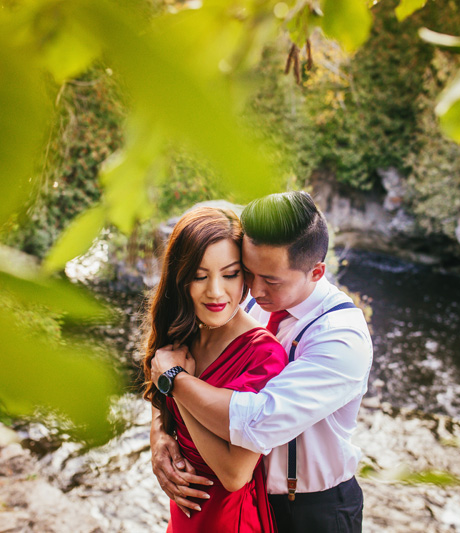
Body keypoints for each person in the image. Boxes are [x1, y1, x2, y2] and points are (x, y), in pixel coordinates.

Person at [150, 191, 373, 533]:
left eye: (270, 279)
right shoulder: (251, 297)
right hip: (255, 500)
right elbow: (170, 359)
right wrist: (160, 432)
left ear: (316, 272)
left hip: (316, 509)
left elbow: (254, 420)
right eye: (248, 273)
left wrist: (174, 381)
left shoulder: (341, 338)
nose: (254, 290)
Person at [142, 206, 287, 532]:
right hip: (184, 518)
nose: (216, 292)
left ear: (245, 275)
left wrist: (177, 384)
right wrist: (159, 431)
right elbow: (157, 389)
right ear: (181, 280)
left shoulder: (263, 355)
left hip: (229, 522)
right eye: (199, 275)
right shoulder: (183, 331)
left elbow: (235, 474)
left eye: (230, 273)